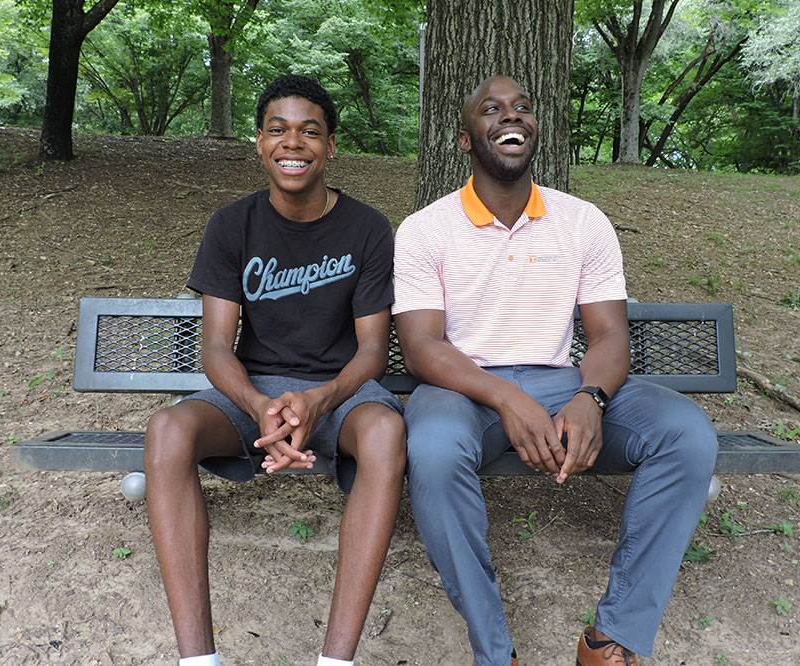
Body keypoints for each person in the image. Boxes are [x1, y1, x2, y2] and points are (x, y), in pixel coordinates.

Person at [392, 75, 718, 666]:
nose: (510, 116)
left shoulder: (583, 221)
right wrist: (506, 399)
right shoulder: (425, 229)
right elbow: (420, 348)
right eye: (491, 110)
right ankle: (496, 653)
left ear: (535, 128)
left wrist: (590, 396)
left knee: (686, 432)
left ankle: (610, 639)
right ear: (467, 139)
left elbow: (610, 335)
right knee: (434, 450)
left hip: (562, 383)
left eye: (521, 107)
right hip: (461, 389)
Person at [143, 74, 406, 666]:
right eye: (278, 130)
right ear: (259, 144)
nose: (294, 143)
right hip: (250, 393)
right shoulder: (231, 225)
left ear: (331, 146)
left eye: (310, 131)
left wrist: (318, 399)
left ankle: (335, 661)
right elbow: (216, 347)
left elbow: (372, 351)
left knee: (387, 432)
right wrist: (263, 405)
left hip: (343, 395)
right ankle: (197, 660)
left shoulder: (367, 228)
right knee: (167, 430)